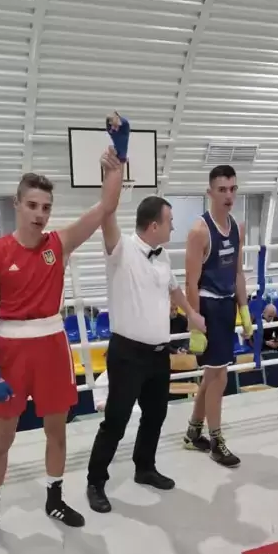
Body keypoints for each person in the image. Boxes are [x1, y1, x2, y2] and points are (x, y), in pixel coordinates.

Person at [0, 141, 125, 548]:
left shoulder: (59, 243)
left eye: (45, 207)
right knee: (2, 438)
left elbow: (106, 206)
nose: (39, 214)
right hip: (11, 350)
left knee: (56, 431)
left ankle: (54, 498)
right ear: (17, 204)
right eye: (32, 205)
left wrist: (117, 164)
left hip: (53, 346)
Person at [86, 197, 206, 514]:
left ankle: (145, 467)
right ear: (154, 225)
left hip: (158, 354)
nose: (173, 227)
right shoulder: (122, 249)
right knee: (116, 420)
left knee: (155, 415)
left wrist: (192, 314)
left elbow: (174, 289)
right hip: (127, 353)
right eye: (170, 221)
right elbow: (107, 218)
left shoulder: (163, 255)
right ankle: (95, 482)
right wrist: (112, 185)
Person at [183, 165, 253, 468]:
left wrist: (244, 310)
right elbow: (190, 282)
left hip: (227, 307)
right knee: (219, 376)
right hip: (208, 306)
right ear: (210, 192)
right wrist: (195, 323)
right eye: (222, 189)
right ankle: (216, 440)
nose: (229, 195)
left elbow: (237, 272)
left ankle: (193, 432)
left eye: (233, 189)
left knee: (212, 374)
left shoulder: (238, 227)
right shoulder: (199, 231)